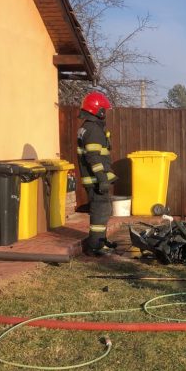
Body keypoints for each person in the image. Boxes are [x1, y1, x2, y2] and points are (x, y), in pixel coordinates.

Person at [76, 91, 118, 256]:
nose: (105, 114)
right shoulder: (92, 129)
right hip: (95, 179)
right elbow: (93, 157)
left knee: (104, 209)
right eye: (104, 110)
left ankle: (100, 241)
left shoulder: (87, 127)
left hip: (93, 178)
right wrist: (102, 179)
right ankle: (95, 246)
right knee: (100, 211)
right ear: (98, 110)